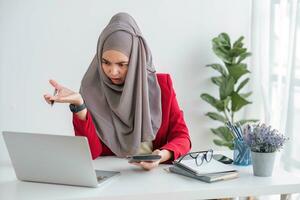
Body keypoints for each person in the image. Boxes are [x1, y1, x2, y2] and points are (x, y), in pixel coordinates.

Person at [44, 12, 191, 170]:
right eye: (106, 62)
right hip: (113, 179)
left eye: (122, 64)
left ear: (136, 60)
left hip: (156, 178)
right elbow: (91, 153)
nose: (112, 72)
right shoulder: (92, 90)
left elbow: (182, 137)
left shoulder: (162, 87)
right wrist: (80, 106)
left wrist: (160, 156)